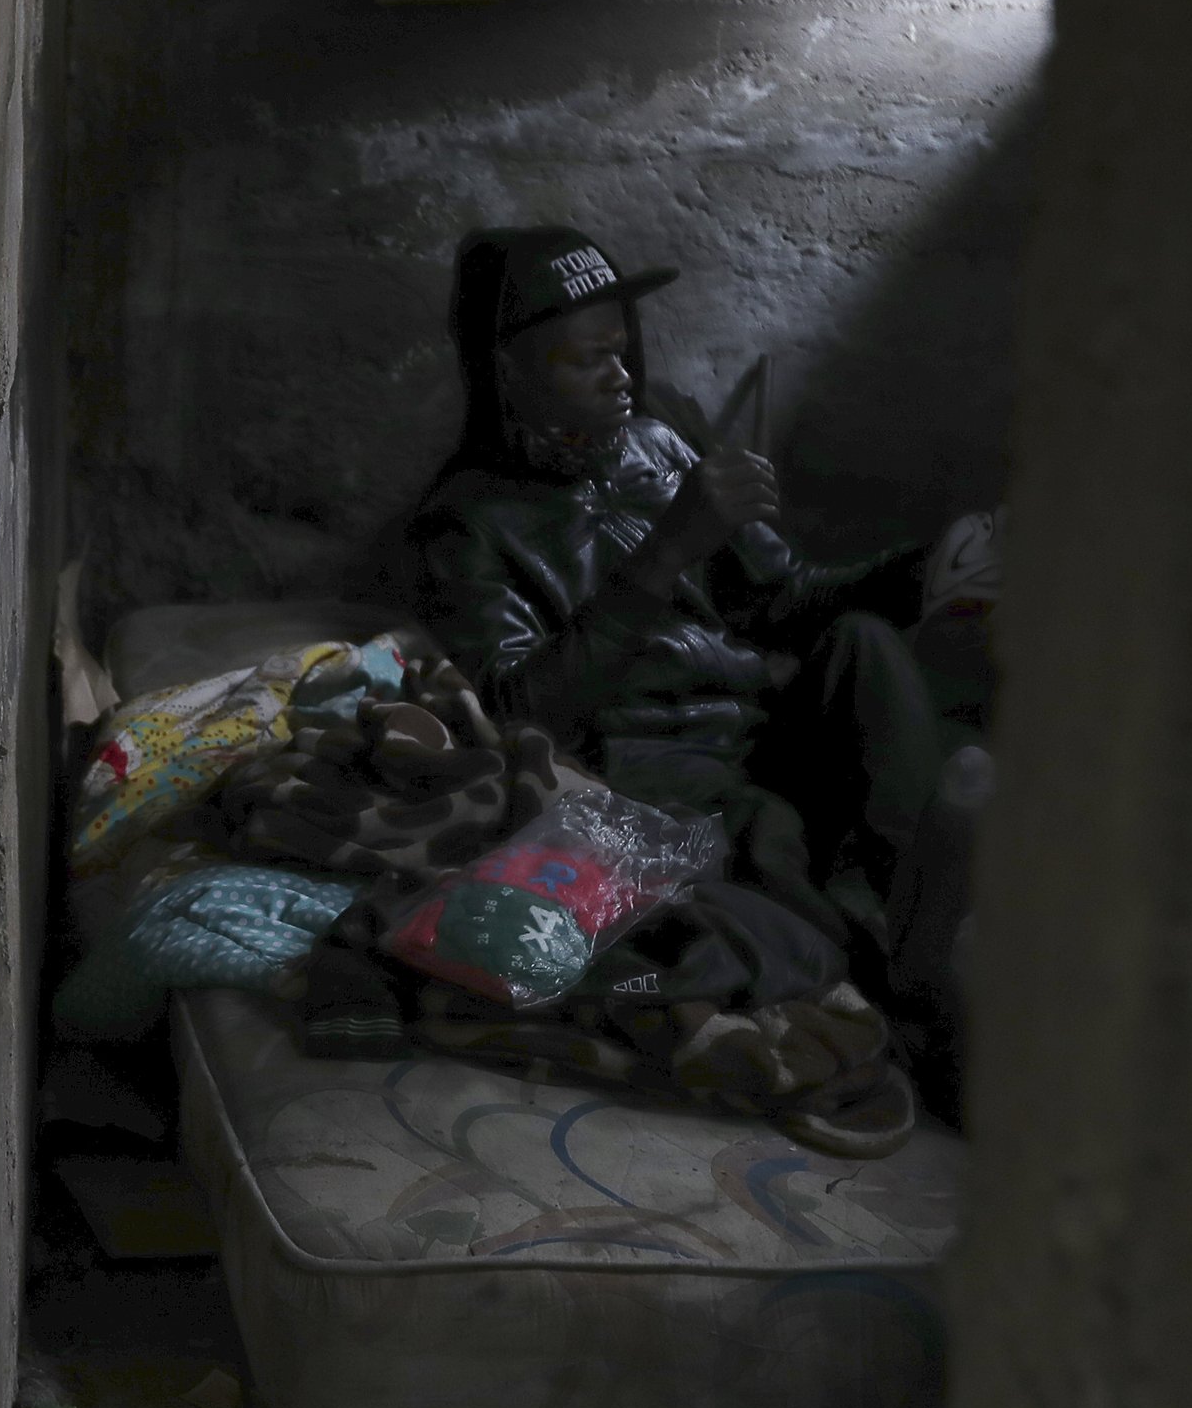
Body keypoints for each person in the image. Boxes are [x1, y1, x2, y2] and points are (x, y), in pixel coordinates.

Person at [401, 225, 997, 1113]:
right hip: (656, 781)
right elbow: (519, 713)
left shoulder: (661, 442)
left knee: (867, 644)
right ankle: (905, 973)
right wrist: (668, 549)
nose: (621, 376)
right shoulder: (470, 522)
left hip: (760, 734)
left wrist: (927, 569)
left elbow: (783, 598)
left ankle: (913, 922)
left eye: (622, 348)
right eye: (585, 359)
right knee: (793, 903)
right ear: (511, 375)